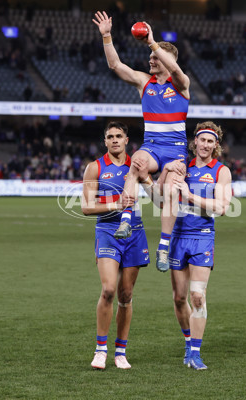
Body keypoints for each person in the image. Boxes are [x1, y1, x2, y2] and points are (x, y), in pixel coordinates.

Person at [93, 11, 189, 272]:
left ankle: (164, 246)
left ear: (166, 60)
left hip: (176, 151)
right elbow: (116, 66)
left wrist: (152, 42)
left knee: (168, 194)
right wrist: (106, 37)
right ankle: (126, 219)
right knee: (136, 161)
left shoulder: (181, 84)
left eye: (155, 58)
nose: (151, 61)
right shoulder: (144, 83)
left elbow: (177, 70)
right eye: (150, 58)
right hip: (154, 146)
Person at [136, 121, 232, 370]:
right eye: (202, 140)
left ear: (216, 146)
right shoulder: (181, 166)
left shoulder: (221, 171)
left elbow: (222, 208)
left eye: (211, 141)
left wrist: (190, 196)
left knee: (197, 296)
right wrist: (150, 178)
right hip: (177, 237)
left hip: (202, 237)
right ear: (195, 142)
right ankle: (189, 344)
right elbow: (159, 202)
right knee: (180, 298)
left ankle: (196, 353)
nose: (205, 145)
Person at [81, 121, 149, 370]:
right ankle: (101, 349)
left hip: (135, 233)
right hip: (108, 232)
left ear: (126, 140)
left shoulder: (137, 165)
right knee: (109, 289)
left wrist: (149, 181)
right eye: (110, 136)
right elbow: (87, 207)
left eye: (119, 136)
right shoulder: (95, 168)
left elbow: (159, 198)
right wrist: (116, 205)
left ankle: (121, 351)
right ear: (105, 141)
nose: (114, 140)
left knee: (126, 295)